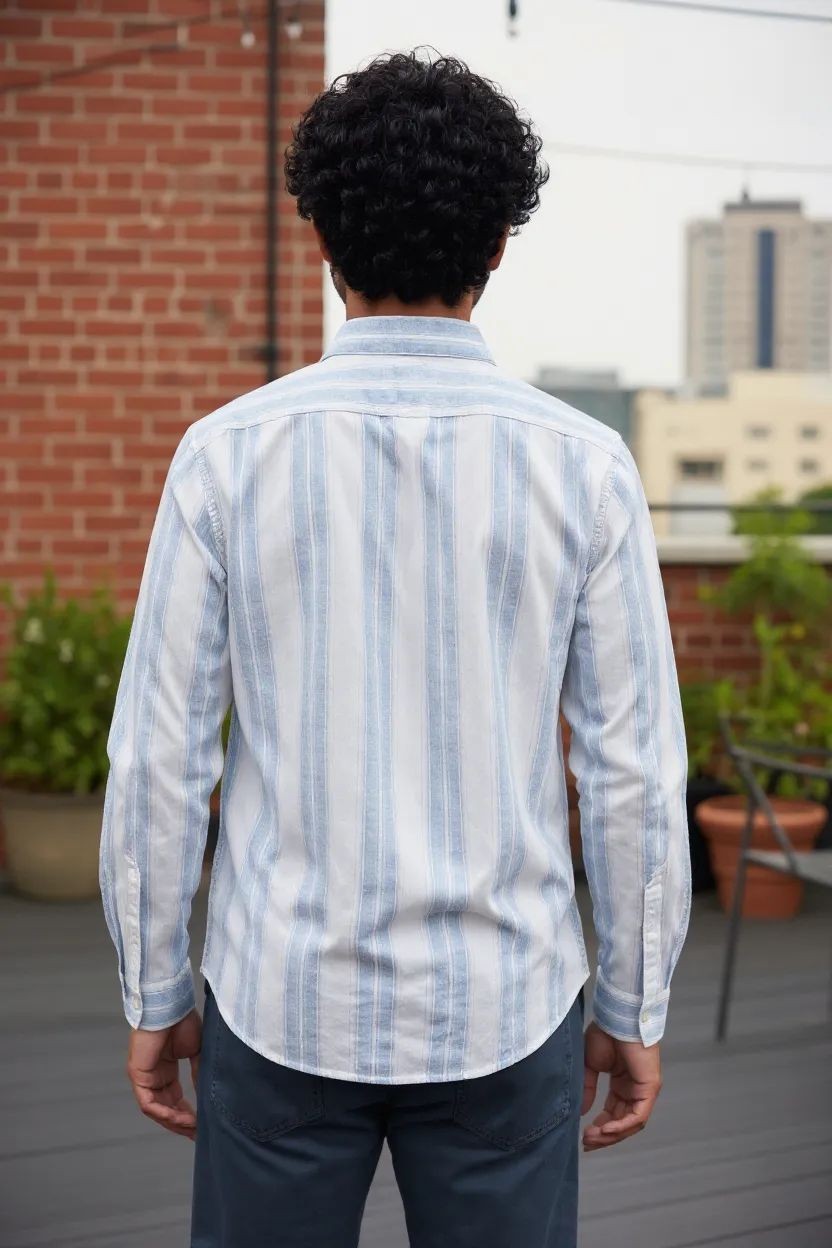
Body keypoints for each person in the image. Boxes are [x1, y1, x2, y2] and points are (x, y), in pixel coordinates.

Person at [100, 48, 691, 1248]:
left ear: (320, 234)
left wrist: (155, 991)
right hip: (507, 1008)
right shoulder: (586, 468)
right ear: (499, 245)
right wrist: (633, 1005)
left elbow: (160, 761)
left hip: (279, 1002)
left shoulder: (224, 457)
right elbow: (631, 772)